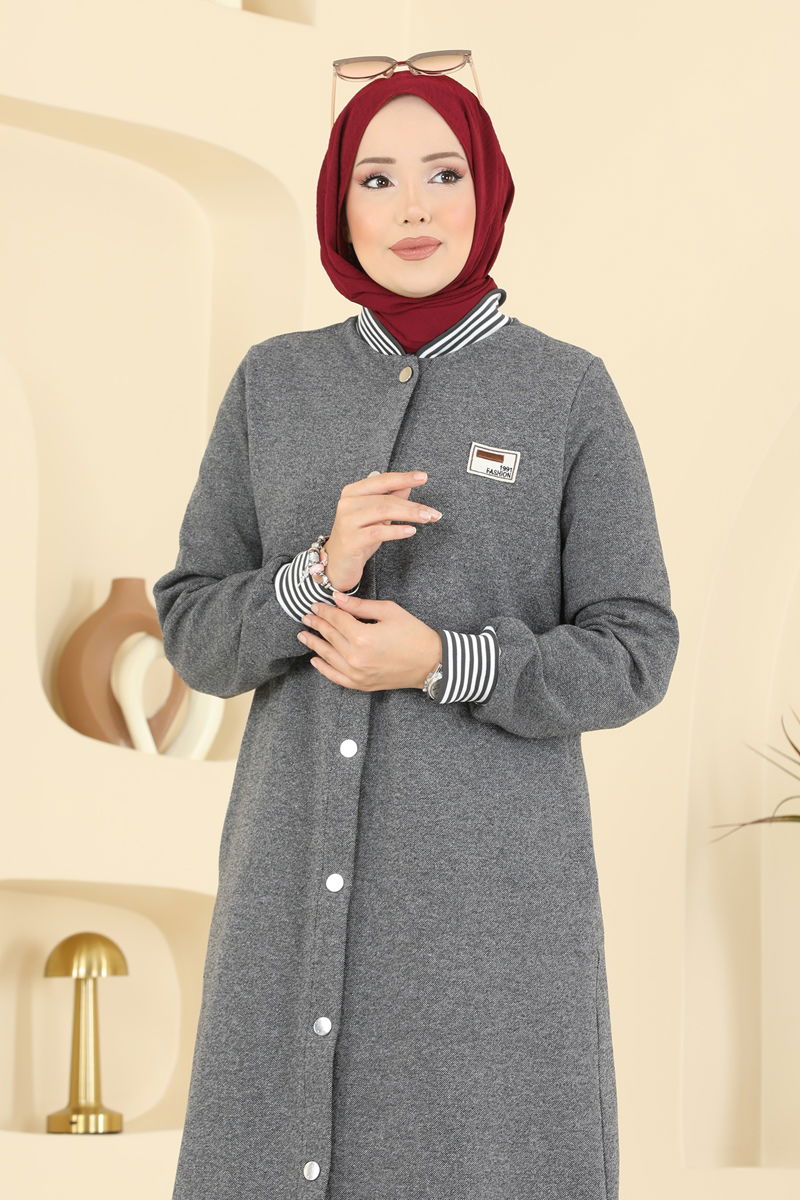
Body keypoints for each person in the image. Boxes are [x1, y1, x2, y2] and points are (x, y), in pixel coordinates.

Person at [153, 62, 679, 1200]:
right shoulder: (273, 385)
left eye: (443, 174)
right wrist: (313, 575)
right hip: (287, 880)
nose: (414, 208)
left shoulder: (565, 392)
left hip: (487, 913)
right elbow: (192, 630)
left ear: (487, 191)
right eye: (377, 179)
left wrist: (446, 661)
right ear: (338, 204)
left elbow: (636, 647)